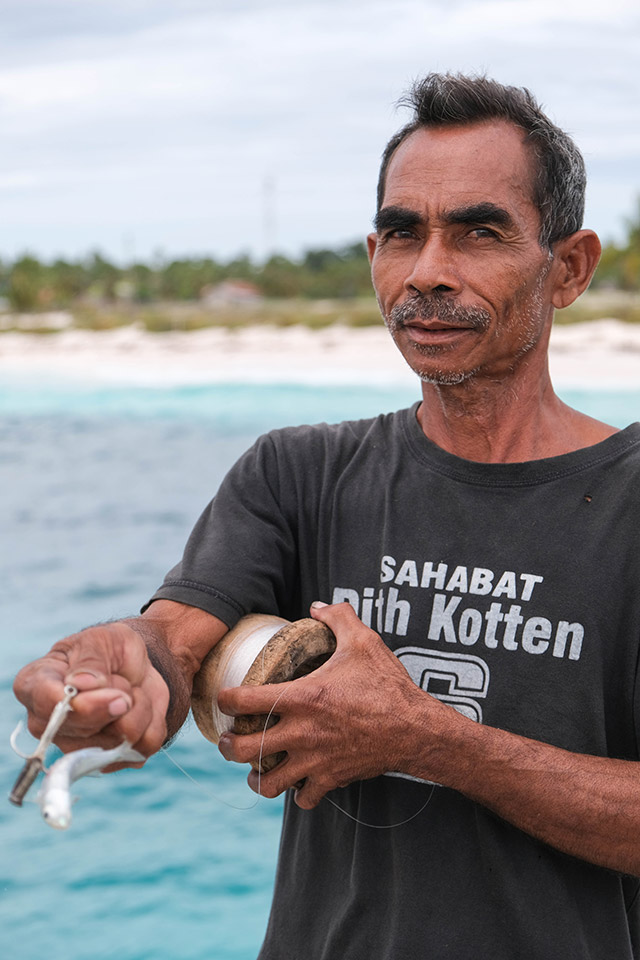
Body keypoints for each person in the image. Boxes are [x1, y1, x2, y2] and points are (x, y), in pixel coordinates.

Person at [14, 73, 640, 958]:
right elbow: (173, 642)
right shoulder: (298, 473)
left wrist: (434, 742)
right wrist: (120, 674)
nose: (427, 271)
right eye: (401, 234)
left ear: (568, 267)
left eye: (479, 232)